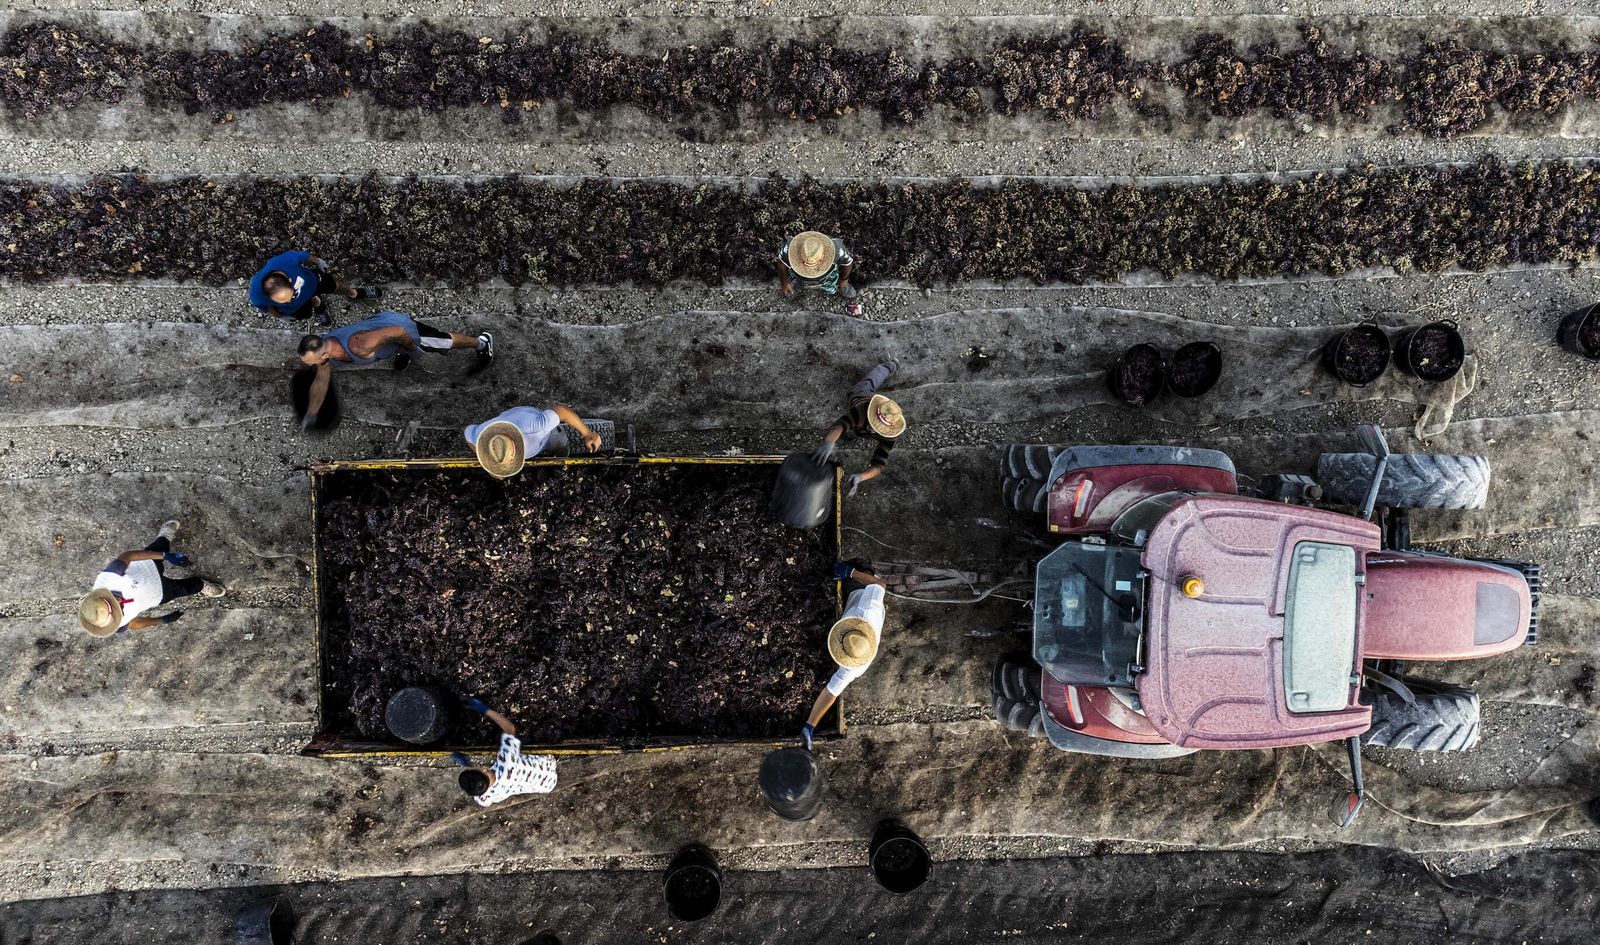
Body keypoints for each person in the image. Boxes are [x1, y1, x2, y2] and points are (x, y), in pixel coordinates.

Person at [297, 311, 494, 429]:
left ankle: (482, 343)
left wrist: (413, 349)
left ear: (324, 355)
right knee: (390, 343)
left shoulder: (359, 345)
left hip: (401, 328)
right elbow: (321, 380)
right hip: (380, 329)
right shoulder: (327, 346)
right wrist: (312, 412)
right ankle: (402, 351)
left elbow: (398, 332)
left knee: (442, 342)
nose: (309, 366)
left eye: (310, 362)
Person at [78, 520, 225, 638]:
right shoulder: (114, 624)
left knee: (159, 547)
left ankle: (165, 536)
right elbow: (133, 624)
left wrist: (165, 556)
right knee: (184, 589)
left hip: (147, 567)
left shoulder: (108, 579)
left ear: (104, 597)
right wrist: (162, 620)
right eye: (117, 615)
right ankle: (202, 585)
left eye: (115, 607)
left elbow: (128, 556)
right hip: (157, 594)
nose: (120, 611)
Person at [802, 569, 888, 749]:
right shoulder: (868, 609)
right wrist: (849, 572)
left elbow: (831, 692)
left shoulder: (856, 666)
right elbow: (880, 584)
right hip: (862, 584)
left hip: (855, 598)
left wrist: (810, 724)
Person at [812, 360, 904, 496]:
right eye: (872, 424)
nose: (872, 429)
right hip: (861, 394)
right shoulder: (862, 411)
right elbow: (841, 425)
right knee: (871, 380)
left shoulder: (890, 436)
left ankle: (852, 435)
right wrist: (829, 442)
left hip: (860, 428)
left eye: (876, 429)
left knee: (856, 433)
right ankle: (890, 365)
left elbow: (878, 465)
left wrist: (861, 477)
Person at [451, 698, 557, 808]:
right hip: (548, 766)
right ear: (484, 770)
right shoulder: (506, 761)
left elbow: (480, 794)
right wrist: (485, 710)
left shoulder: (483, 798)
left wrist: (466, 764)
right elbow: (510, 729)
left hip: (546, 787)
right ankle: (554, 759)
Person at [465, 405, 603, 479]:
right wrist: (489, 467)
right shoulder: (483, 435)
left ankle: (562, 448)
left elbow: (562, 411)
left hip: (542, 432)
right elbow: (467, 432)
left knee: (560, 443)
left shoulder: (536, 427)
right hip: (510, 416)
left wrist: (587, 433)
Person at [249, 250, 379, 325]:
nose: (289, 301)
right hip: (297, 308)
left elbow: (303, 256)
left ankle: (353, 293)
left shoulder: (283, 262)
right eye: (283, 302)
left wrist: (318, 262)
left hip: (313, 281)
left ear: (290, 280)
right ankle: (318, 304)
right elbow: (267, 308)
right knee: (306, 313)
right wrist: (281, 317)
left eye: (290, 295)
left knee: (334, 285)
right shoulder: (256, 294)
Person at [777, 230, 862, 315]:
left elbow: (847, 263)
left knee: (832, 288)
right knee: (796, 283)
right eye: (806, 264)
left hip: (827, 277)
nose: (810, 270)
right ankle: (796, 286)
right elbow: (781, 263)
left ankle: (837, 288)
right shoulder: (790, 247)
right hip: (799, 277)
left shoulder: (837, 249)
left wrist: (844, 280)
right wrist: (784, 283)